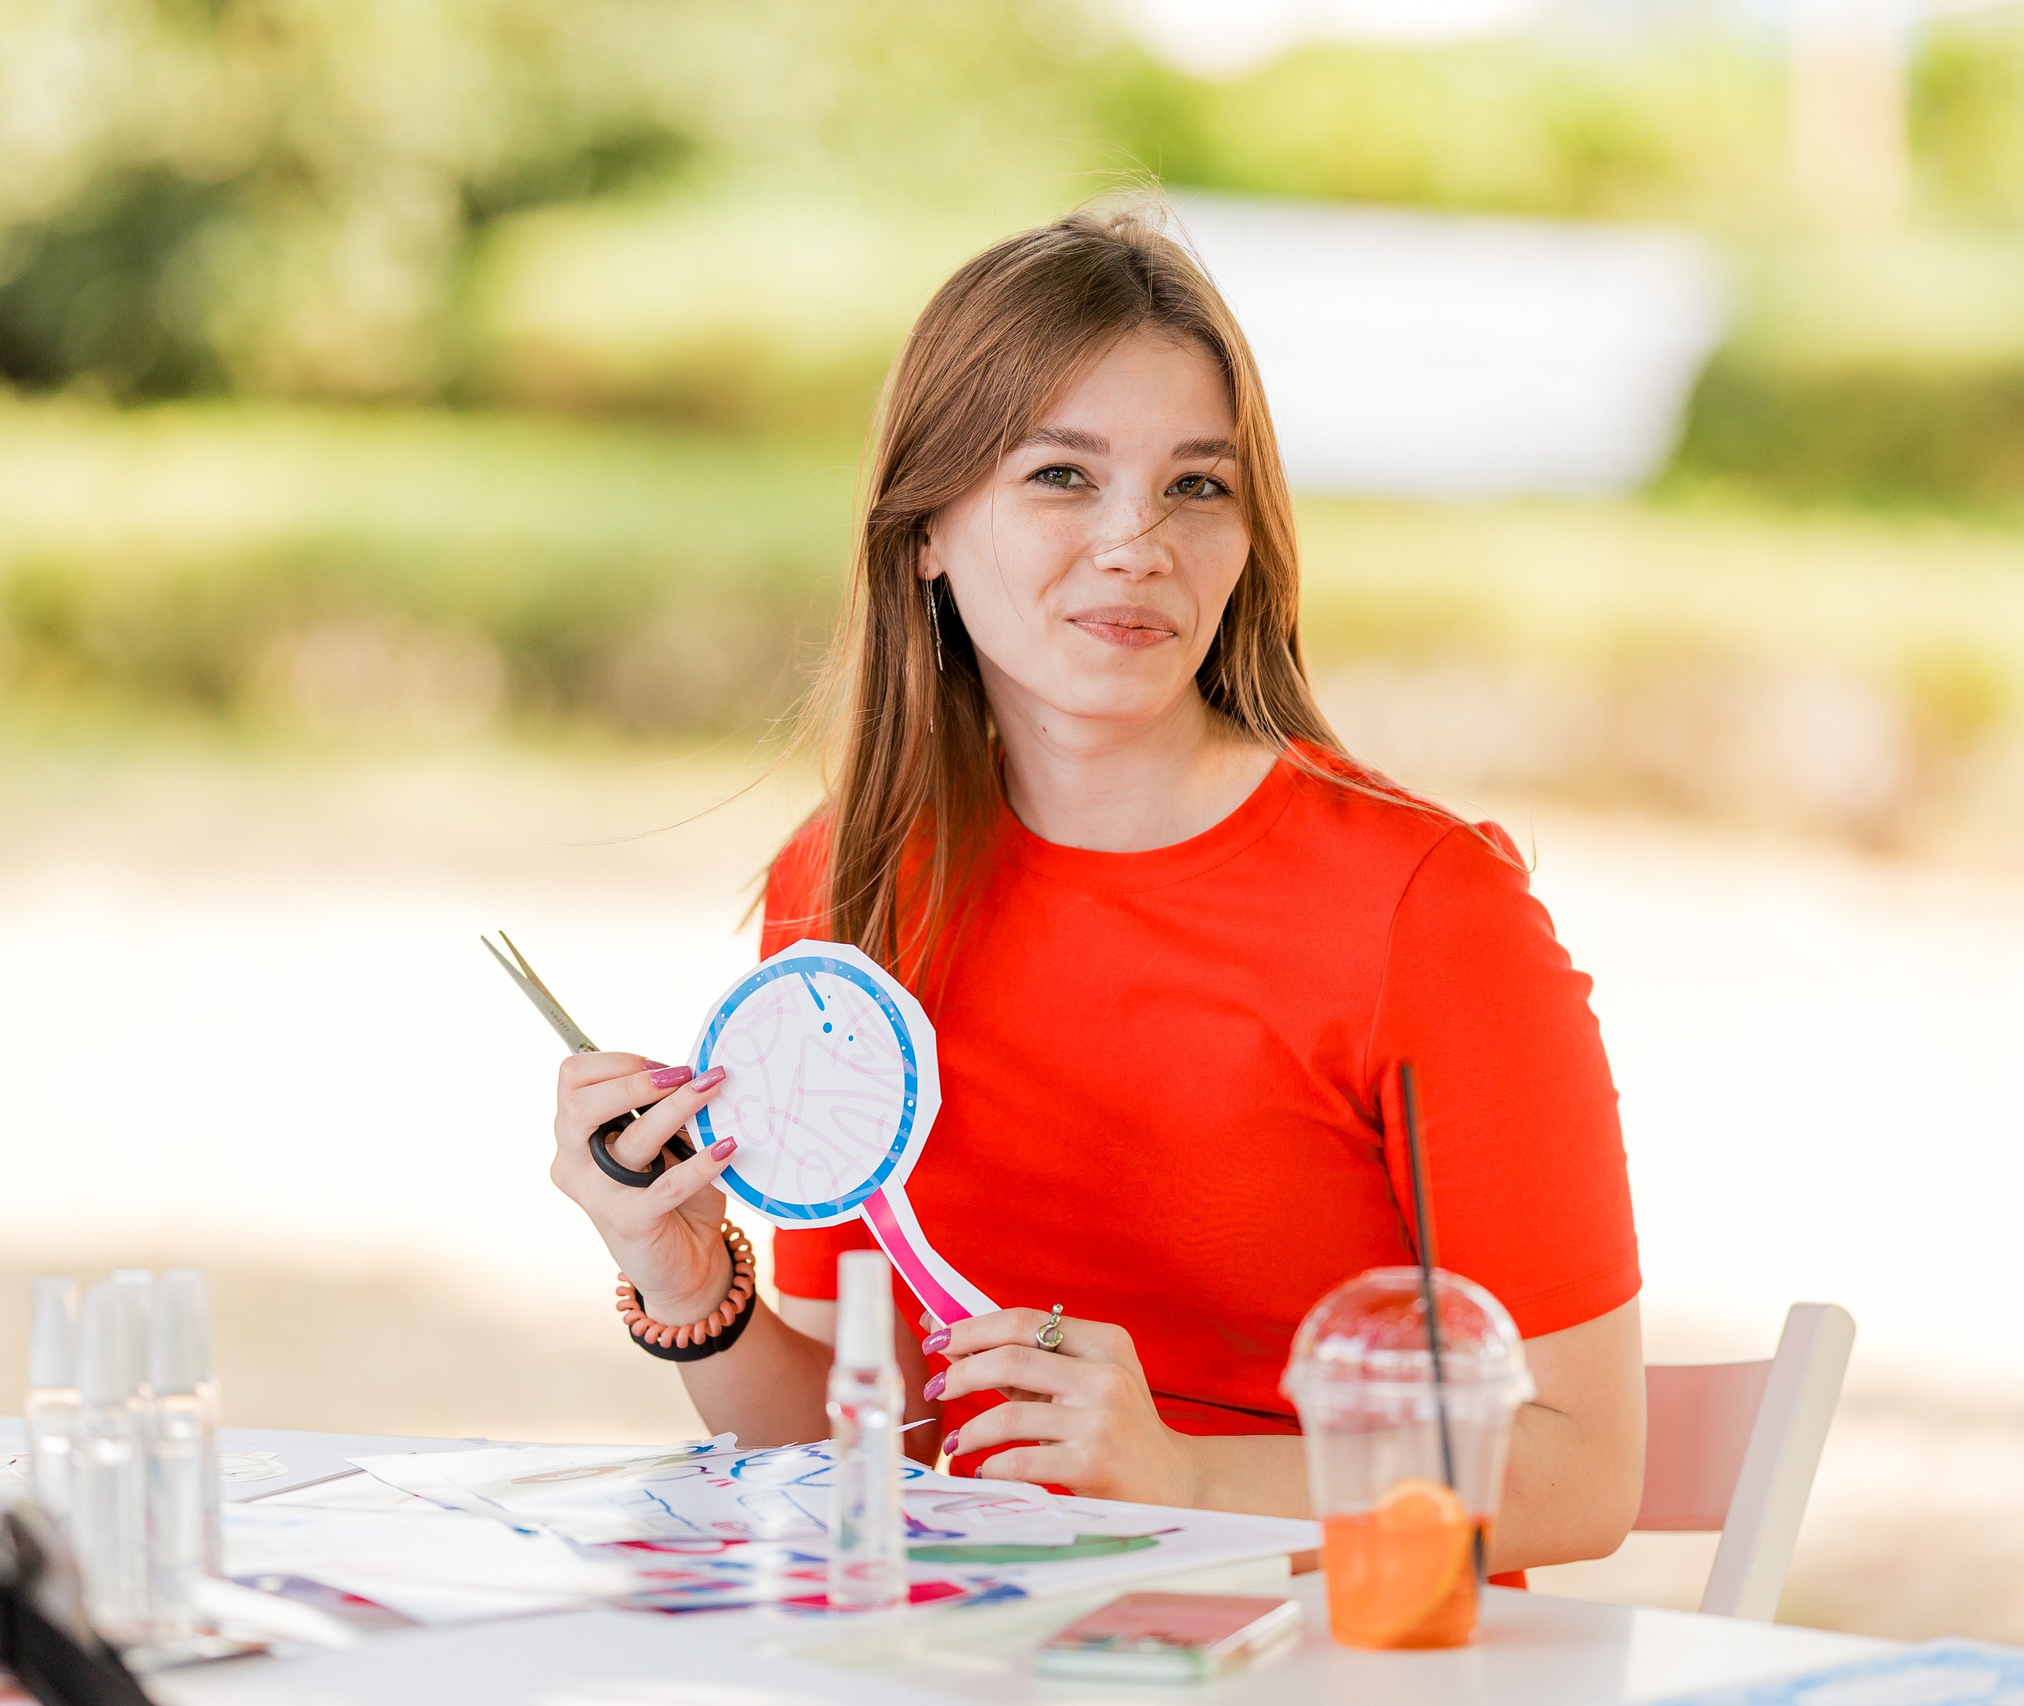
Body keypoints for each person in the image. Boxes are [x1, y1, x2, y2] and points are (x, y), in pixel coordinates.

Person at [547, 202, 1645, 1578]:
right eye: (1062, 476)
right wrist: (688, 1280)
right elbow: (841, 1440)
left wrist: (1181, 1478)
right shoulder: (846, 884)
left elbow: (1584, 1467)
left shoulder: (1426, 907)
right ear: (926, 528)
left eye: (1198, 485)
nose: (1137, 543)